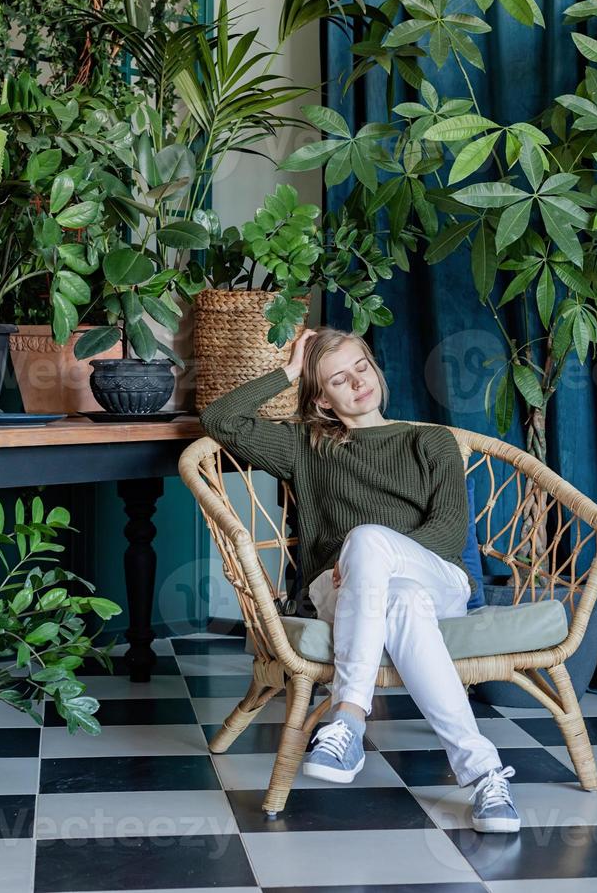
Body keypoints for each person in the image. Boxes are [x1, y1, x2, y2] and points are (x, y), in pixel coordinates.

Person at [198, 325, 520, 833]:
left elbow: (448, 531)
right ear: (323, 400)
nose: (357, 383)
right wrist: (290, 371)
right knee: (402, 599)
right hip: (341, 590)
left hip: (439, 579)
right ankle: (484, 776)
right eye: (338, 379)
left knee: (372, 543)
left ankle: (347, 717)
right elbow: (219, 419)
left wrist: (374, 550)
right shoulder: (306, 446)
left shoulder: (430, 441)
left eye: (362, 367)